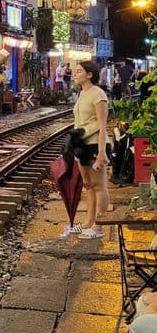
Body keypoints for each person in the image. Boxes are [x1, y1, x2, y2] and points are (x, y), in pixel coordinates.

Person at [70, 60, 110, 239]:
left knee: (99, 186)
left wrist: (102, 153)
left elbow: (102, 126)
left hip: (94, 143)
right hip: (82, 145)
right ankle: (88, 221)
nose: (75, 74)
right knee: (88, 186)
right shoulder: (82, 94)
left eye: (79, 71)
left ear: (89, 75)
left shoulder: (98, 95)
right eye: (75, 71)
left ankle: (99, 227)